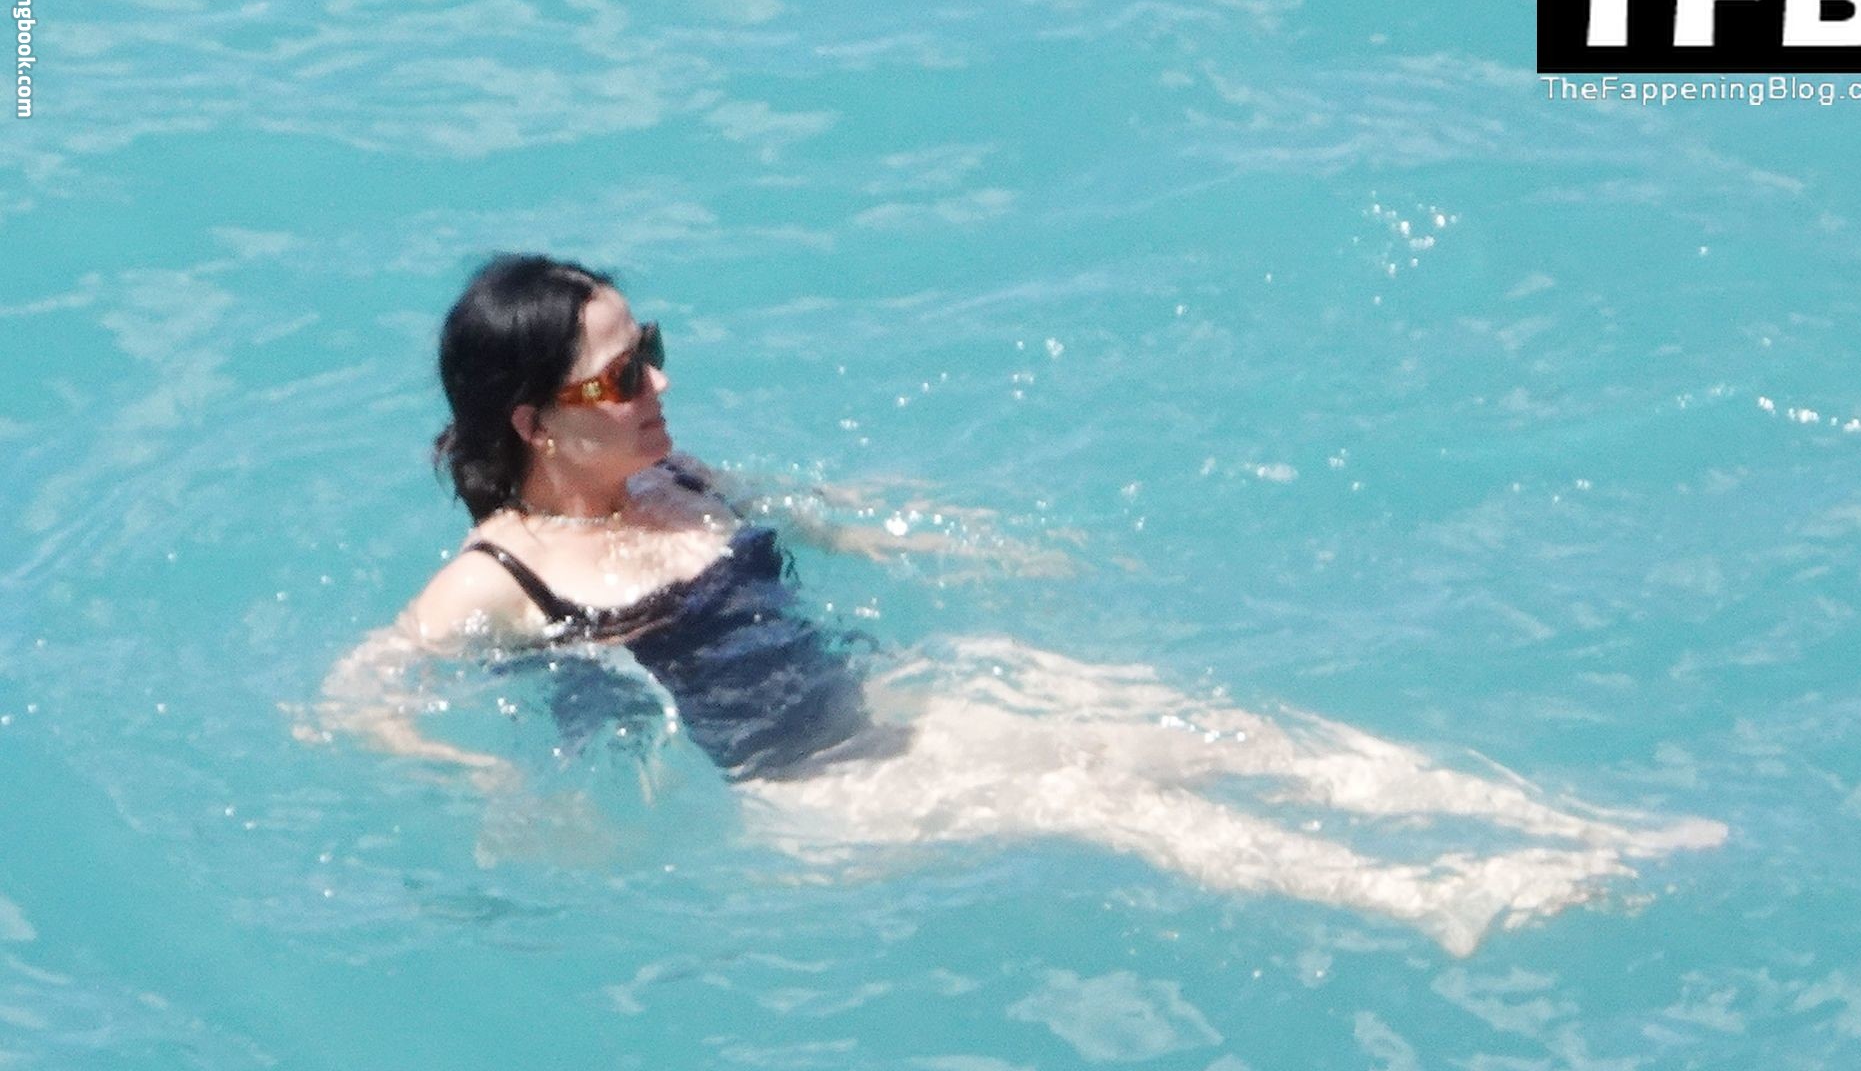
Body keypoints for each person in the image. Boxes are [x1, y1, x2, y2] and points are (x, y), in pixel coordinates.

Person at [317, 253, 1724, 956]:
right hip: (816, 799)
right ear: (536, 421)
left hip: (884, 714)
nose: (659, 386)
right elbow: (357, 696)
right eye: (623, 377)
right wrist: (471, 779)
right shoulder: (500, 580)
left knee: (1200, 729)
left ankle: (1573, 830)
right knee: (1098, 797)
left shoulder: (675, 477)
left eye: (656, 352)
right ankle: (1441, 900)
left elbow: (830, 515)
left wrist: (989, 553)